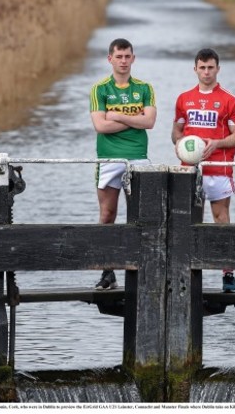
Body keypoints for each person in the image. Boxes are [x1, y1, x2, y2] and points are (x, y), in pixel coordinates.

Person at [172, 48, 235, 293]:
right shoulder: (184, 99)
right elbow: (176, 132)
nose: (206, 72)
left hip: (219, 168)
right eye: (202, 67)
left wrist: (217, 143)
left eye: (210, 67)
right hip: (190, 170)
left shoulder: (229, 100)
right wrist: (180, 146)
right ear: (195, 69)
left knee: (221, 220)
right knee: (191, 220)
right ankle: (191, 274)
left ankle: (227, 274)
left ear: (218, 69)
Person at [90, 38, 157, 290]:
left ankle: (143, 270)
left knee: (141, 216)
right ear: (110, 59)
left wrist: (117, 115)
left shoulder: (145, 88)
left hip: (138, 156)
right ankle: (108, 272)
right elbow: (100, 126)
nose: (123, 61)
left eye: (127, 56)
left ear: (133, 58)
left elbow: (149, 122)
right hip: (109, 157)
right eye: (119, 56)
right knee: (107, 215)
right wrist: (134, 118)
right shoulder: (100, 89)